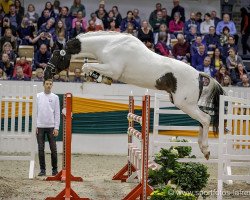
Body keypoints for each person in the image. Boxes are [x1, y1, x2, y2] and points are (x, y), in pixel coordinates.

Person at [36, 79, 60, 176]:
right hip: (40, 126)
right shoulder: (38, 96)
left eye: (50, 84)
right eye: (47, 84)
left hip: (51, 127)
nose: (49, 85)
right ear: (43, 85)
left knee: (53, 149)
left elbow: (57, 113)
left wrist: (56, 128)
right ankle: (42, 170)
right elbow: (35, 112)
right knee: (40, 149)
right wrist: (35, 126)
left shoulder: (55, 97)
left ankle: (54, 170)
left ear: (52, 85)